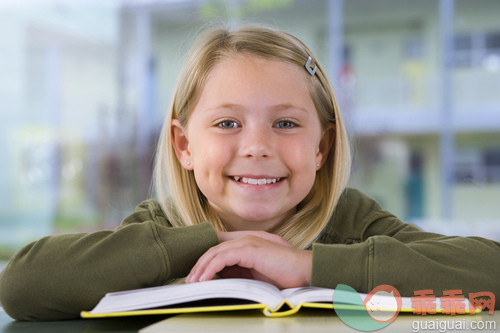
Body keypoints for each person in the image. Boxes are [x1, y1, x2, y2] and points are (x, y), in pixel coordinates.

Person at [0, 25, 498, 321]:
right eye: (227, 123)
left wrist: (308, 268)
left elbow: (488, 271)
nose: (257, 146)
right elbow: (22, 285)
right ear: (183, 145)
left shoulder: (351, 220)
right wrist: (212, 243)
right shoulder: (162, 227)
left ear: (321, 148)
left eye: (285, 123)